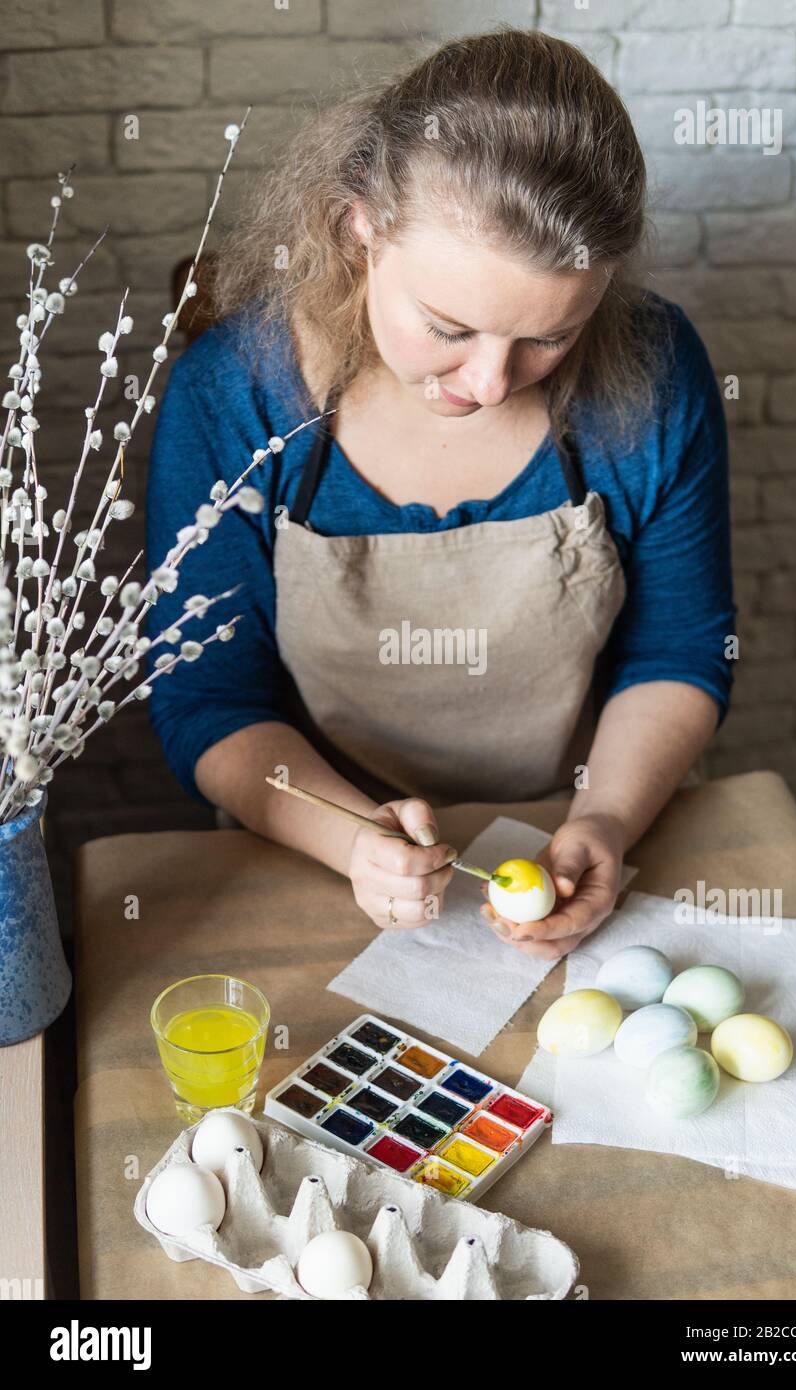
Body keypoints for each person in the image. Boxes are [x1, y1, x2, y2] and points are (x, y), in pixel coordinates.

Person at [145, 28, 735, 961]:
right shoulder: (236, 394)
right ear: (359, 227)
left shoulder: (657, 376)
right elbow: (207, 698)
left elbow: (681, 651)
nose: (493, 382)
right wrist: (353, 840)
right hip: (307, 851)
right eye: (447, 327)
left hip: (581, 814)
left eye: (550, 337)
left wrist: (610, 820)